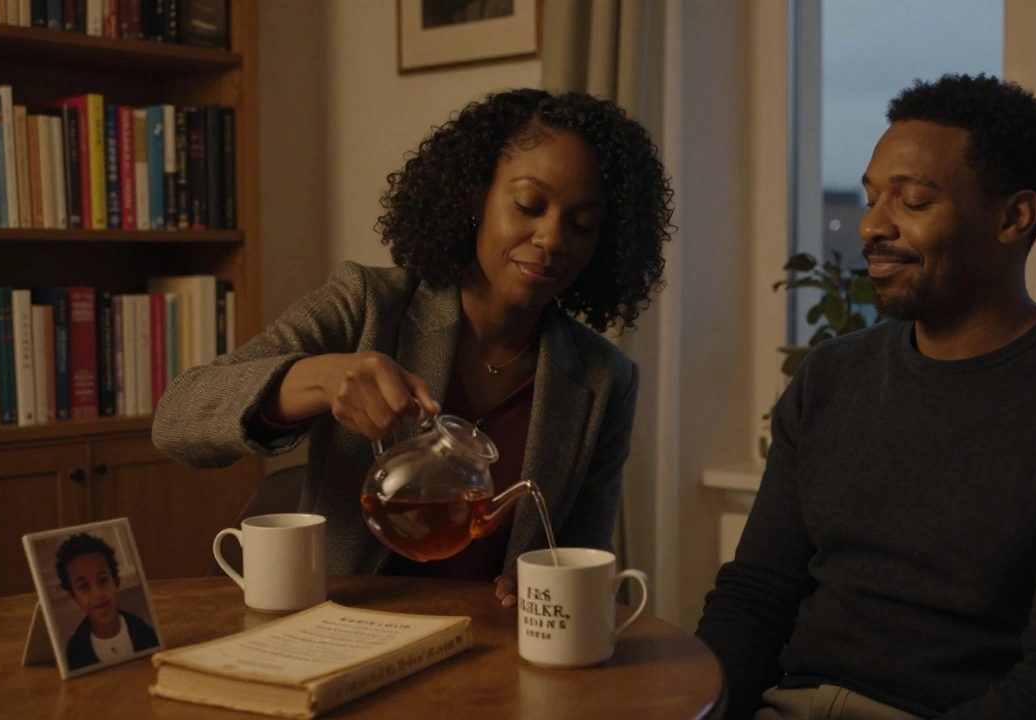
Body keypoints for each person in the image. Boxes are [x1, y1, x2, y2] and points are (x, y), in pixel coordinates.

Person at [695, 74, 1036, 720]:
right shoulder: (830, 377)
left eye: (913, 202)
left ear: (1014, 217)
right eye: (872, 199)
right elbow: (756, 597)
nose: (871, 226)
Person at [152, 89, 673, 607]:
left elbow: (582, 554)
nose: (552, 238)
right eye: (528, 205)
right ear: (475, 196)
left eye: (583, 224)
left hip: (495, 656)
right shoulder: (368, 306)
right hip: (343, 638)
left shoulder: (605, 382)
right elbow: (177, 420)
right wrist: (320, 378)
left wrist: (551, 586)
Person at [56, 533, 160, 671]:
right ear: (74, 597)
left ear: (115, 581)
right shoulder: (75, 651)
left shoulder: (144, 632)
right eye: (83, 586)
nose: (98, 595)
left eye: (103, 580)